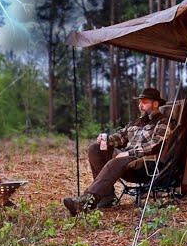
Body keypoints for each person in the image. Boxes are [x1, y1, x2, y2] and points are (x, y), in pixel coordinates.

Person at [63, 88, 175, 216]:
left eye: (144, 102)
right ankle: (107, 197)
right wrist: (105, 139)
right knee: (95, 149)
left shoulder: (163, 122)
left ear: (155, 104)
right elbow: (120, 136)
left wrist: (129, 153)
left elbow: (155, 145)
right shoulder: (137, 122)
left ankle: (86, 202)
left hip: (145, 165)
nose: (140, 105)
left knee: (116, 161)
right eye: (140, 102)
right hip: (126, 162)